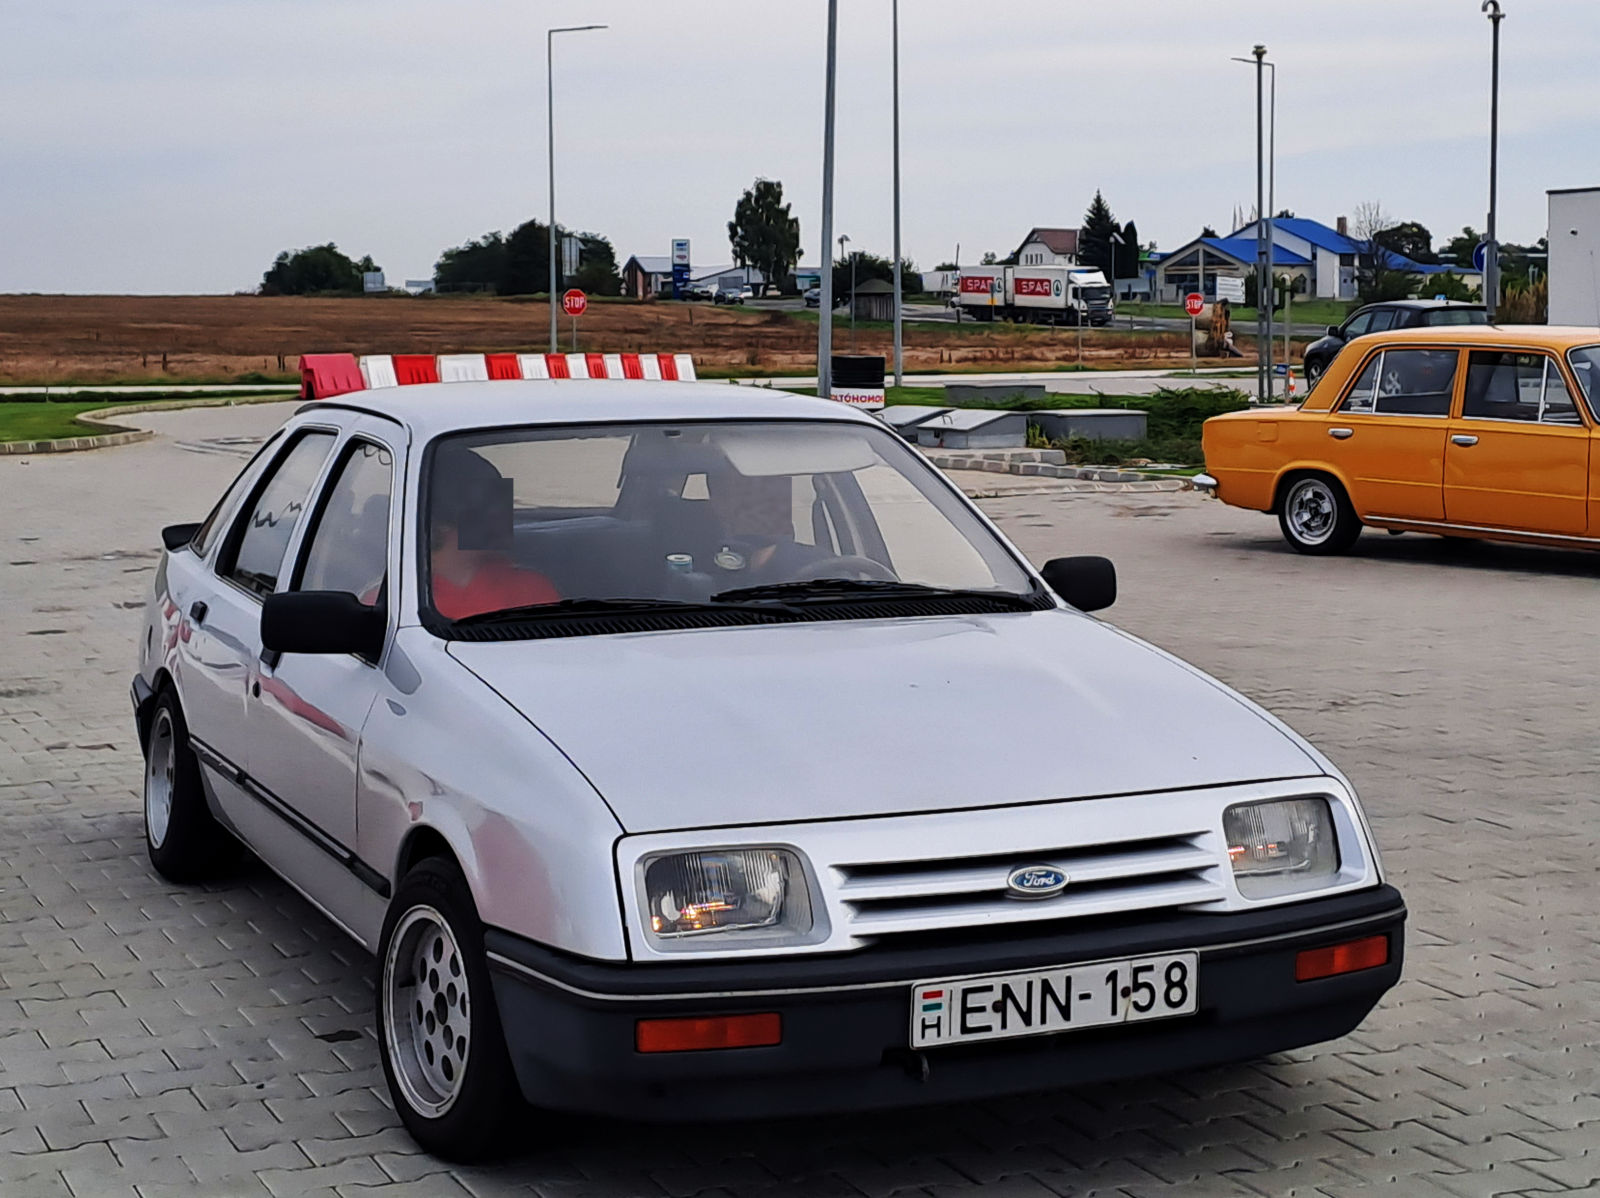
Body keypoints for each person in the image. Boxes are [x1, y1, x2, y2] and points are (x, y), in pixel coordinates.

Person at [428, 448, 558, 619]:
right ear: (442, 522)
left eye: (501, 502)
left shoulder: (530, 588)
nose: (504, 516)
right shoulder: (400, 599)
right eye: (487, 507)